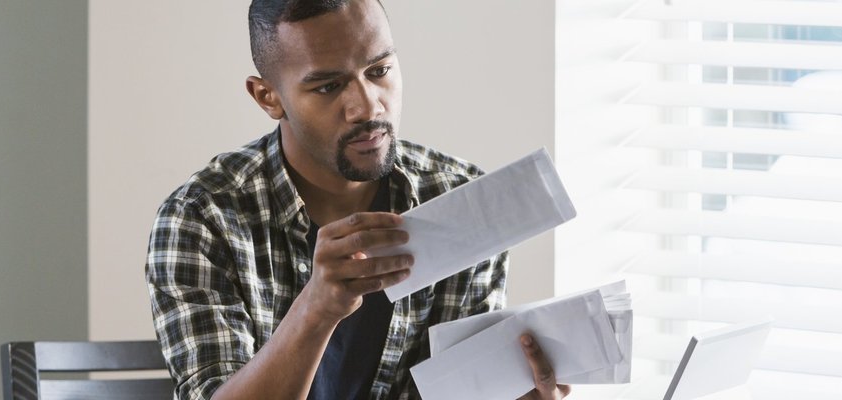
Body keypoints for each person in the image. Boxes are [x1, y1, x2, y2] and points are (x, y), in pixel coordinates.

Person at [144, 0, 570, 399]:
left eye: (380, 70)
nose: (367, 108)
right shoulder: (203, 218)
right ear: (267, 97)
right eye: (328, 87)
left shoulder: (460, 197)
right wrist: (317, 308)